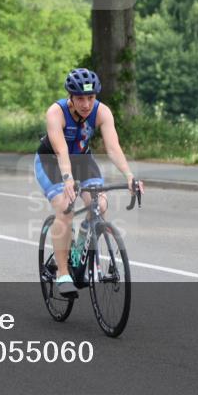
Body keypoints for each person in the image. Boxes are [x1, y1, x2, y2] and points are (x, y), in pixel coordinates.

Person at [34, 68, 143, 297]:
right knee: (65, 208)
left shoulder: (102, 112)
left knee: (100, 205)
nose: (86, 104)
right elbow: (61, 150)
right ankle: (63, 273)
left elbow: (113, 148)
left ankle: (79, 248)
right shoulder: (56, 113)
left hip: (83, 160)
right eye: (81, 98)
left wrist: (129, 176)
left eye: (91, 98)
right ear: (70, 98)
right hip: (52, 162)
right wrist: (67, 179)